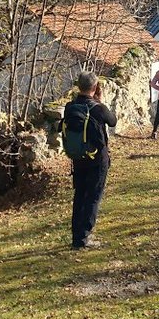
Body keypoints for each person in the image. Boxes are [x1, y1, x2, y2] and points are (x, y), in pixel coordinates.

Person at [62, 71, 117, 250]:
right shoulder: (97, 108)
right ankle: (84, 238)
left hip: (78, 158)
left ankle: (76, 236)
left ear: (79, 86)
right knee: (93, 197)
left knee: (80, 195)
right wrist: (100, 101)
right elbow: (113, 121)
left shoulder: (70, 107)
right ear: (94, 87)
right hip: (97, 159)